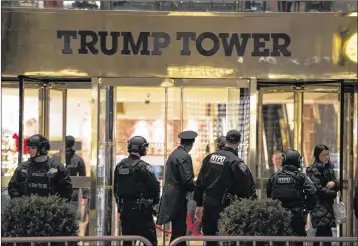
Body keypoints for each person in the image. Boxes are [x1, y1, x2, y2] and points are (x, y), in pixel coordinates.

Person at [193, 130, 257, 246]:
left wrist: (199, 204)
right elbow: (246, 189)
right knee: (226, 239)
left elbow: (200, 183)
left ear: (226, 140)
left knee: (209, 239)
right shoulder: (236, 162)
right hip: (225, 207)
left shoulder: (209, 158)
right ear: (238, 143)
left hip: (208, 204)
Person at [113, 136, 160, 246]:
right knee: (150, 241)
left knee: (128, 241)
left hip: (125, 210)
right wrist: (154, 204)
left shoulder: (119, 166)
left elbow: (116, 189)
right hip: (141, 211)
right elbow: (155, 188)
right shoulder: (143, 167)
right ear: (141, 149)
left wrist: (120, 208)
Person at [267, 149, 316, 246]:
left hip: (278, 215)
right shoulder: (300, 177)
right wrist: (308, 206)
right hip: (296, 216)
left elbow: (269, 193)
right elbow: (312, 191)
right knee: (297, 241)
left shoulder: (274, 177)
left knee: (279, 241)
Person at [157, 130, 198, 246]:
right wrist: (198, 189)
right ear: (192, 143)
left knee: (177, 230)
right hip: (178, 197)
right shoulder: (184, 156)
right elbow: (187, 180)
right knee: (179, 229)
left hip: (171, 196)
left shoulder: (174, 154)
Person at [8, 134, 73, 201]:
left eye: (33, 148)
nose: (29, 150)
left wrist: (56, 206)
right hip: (27, 209)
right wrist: (20, 203)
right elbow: (13, 188)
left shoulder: (57, 168)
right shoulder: (22, 168)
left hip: (50, 210)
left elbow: (66, 191)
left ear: (43, 149)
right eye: (29, 148)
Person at [307, 145, 339, 246]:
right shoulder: (313, 170)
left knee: (323, 233)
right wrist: (333, 193)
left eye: (328, 154)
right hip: (318, 206)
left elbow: (337, 184)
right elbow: (317, 189)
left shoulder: (329, 168)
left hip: (328, 206)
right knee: (324, 233)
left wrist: (334, 184)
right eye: (324, 155)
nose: (327, 157)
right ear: (317, 156)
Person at [53, 136, 88, 219]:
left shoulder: (54, 158)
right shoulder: (78, 159)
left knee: (58, 215)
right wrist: (85, 195)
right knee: (71, 216)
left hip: (57, 190)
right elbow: (82, 178)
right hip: (73, 191)